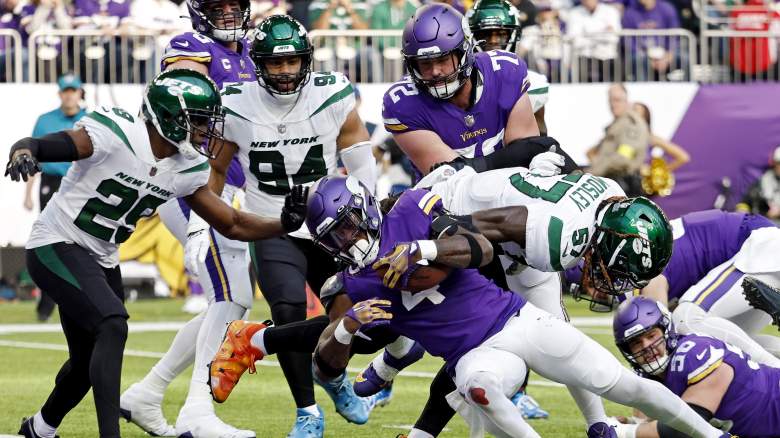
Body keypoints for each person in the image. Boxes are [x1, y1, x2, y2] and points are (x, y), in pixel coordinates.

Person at [252, 175, 728, 438]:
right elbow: (324, 365)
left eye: (350, 226)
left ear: (365, 211)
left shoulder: (411, 210)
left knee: (622, 385)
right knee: (479, 388)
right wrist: (346, 329)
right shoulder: (354, 284)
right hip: (472, 356)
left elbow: (479, 248)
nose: (348, 240)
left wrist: (425, 250)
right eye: (336, 236)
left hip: (514, 319)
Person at [7, 69, 309, 438]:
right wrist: (24, 149)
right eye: (198, 121)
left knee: (88, 360)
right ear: (169, 115)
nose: (206, 130)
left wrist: (283, 222)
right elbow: (48, 144)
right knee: (112, 324)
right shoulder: (117, 133)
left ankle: (39, 428)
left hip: (102, 255)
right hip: (56, 241)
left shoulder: (186, 167)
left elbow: (232, 223)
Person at [194, 15, 382, 437]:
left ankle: (330, 375)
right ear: (257, 64)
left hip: (330, 224)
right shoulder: (236, 103)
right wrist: (208, 220)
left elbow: (361, 163)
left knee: (355, 315)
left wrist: (368, 218)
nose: (284, 71)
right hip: (269, 223)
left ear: (306, 60)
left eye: (292, 61)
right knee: (287, 309)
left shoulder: (332, 94)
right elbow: (216, 173)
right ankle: (307, 412)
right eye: (275, 64)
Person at [119, 1, 259, 436]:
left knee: (231, 300)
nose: (229, 15)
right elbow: (179, 103)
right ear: (200, 12)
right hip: (197, 186)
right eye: (219, 8)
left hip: (235, 189)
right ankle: (197, 412)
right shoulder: (190, 47)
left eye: (235, 6)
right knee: (232, 296)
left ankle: (148, 393)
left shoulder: (252, 51)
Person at [578, 209, 780, 370]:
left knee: (686, 319)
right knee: (728, 343)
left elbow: (660, 343)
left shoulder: (642, 269)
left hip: (760, 249)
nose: (594, 293)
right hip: (759, 257)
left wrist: (642, 417)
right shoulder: (637, 257)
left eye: (589, 283)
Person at [613, 296, 780, 437]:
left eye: (651, 335)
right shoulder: (653, 377)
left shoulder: (694, 354)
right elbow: (660, 421)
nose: (647, 346)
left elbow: (684, 427)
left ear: (666, 330)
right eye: (636, 342)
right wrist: (631, 423)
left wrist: (624, 432)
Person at [24, 73, 87, 322]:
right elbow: (33, 158)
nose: (70, 95)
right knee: (50, 239)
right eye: (66, 91)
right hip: (51, 184)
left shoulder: (92, 119)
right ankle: (47, 302)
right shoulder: (45, 120)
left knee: (81, 240)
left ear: (80, 93)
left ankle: (82, 296)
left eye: (74, 90)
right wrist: (28, 193)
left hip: (81, 184)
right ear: (60, 94)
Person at [586, 83, 650, 196]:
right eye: (610, 100)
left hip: (623, 186)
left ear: (626, 101)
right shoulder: (617, 124)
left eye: (617, 100)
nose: (612, 104)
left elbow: (623, 158)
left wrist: (593, 173)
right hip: (611, 183)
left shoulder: (631, 124)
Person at [565, 0, 621, 82]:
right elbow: (575, 40)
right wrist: (603, 32)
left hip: (607, 57)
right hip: (584, 58)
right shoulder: (574, 13)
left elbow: (614, 38)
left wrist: (587, 35)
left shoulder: (611, 11)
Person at [756, 146, 780, 221]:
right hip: (770, 223)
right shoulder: (765, 179)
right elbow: (747, 201)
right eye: (779, 163)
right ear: (774, 163)